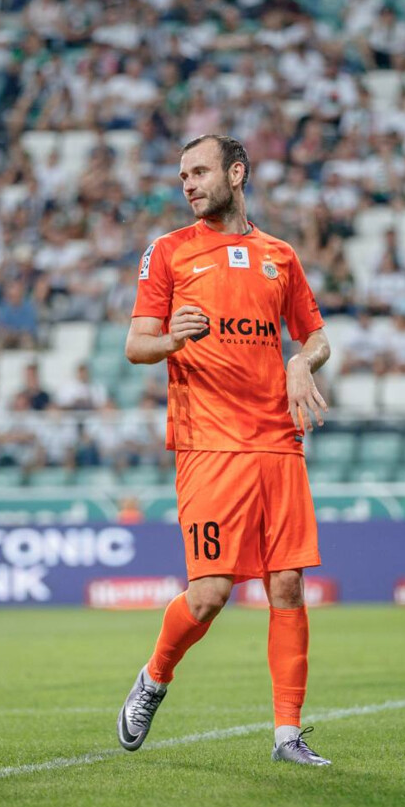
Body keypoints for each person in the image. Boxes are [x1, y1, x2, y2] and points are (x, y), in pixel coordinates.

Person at [116, 134, 332, 767]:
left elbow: (317, 336)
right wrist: (170, 341)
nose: (187, 184)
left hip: (276, 441)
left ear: (236, 173)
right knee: (209, 595)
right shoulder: (169, 252)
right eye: (182, 174)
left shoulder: (280, 256)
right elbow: (135, 344)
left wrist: (301, 360)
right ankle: (155, 677)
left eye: (200, 171)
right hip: (208, 444)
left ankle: (287, 735)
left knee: (287, 585)